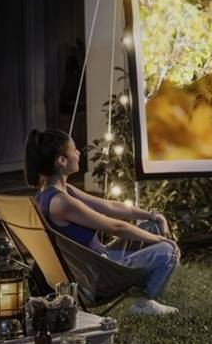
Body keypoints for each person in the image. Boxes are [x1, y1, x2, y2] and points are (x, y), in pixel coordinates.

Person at [25, 128, 181, 315]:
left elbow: (110, 206)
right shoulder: (61, 203)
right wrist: (160, 241)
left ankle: (144, 299)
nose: (78, 153)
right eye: (74, 149)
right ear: (62, 160)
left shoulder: (58, 192)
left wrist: (152, 216)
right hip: (94, 279)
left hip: (99, 262)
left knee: (152, 226)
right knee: (168, 251)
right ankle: (143, 303)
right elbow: (115, 226)